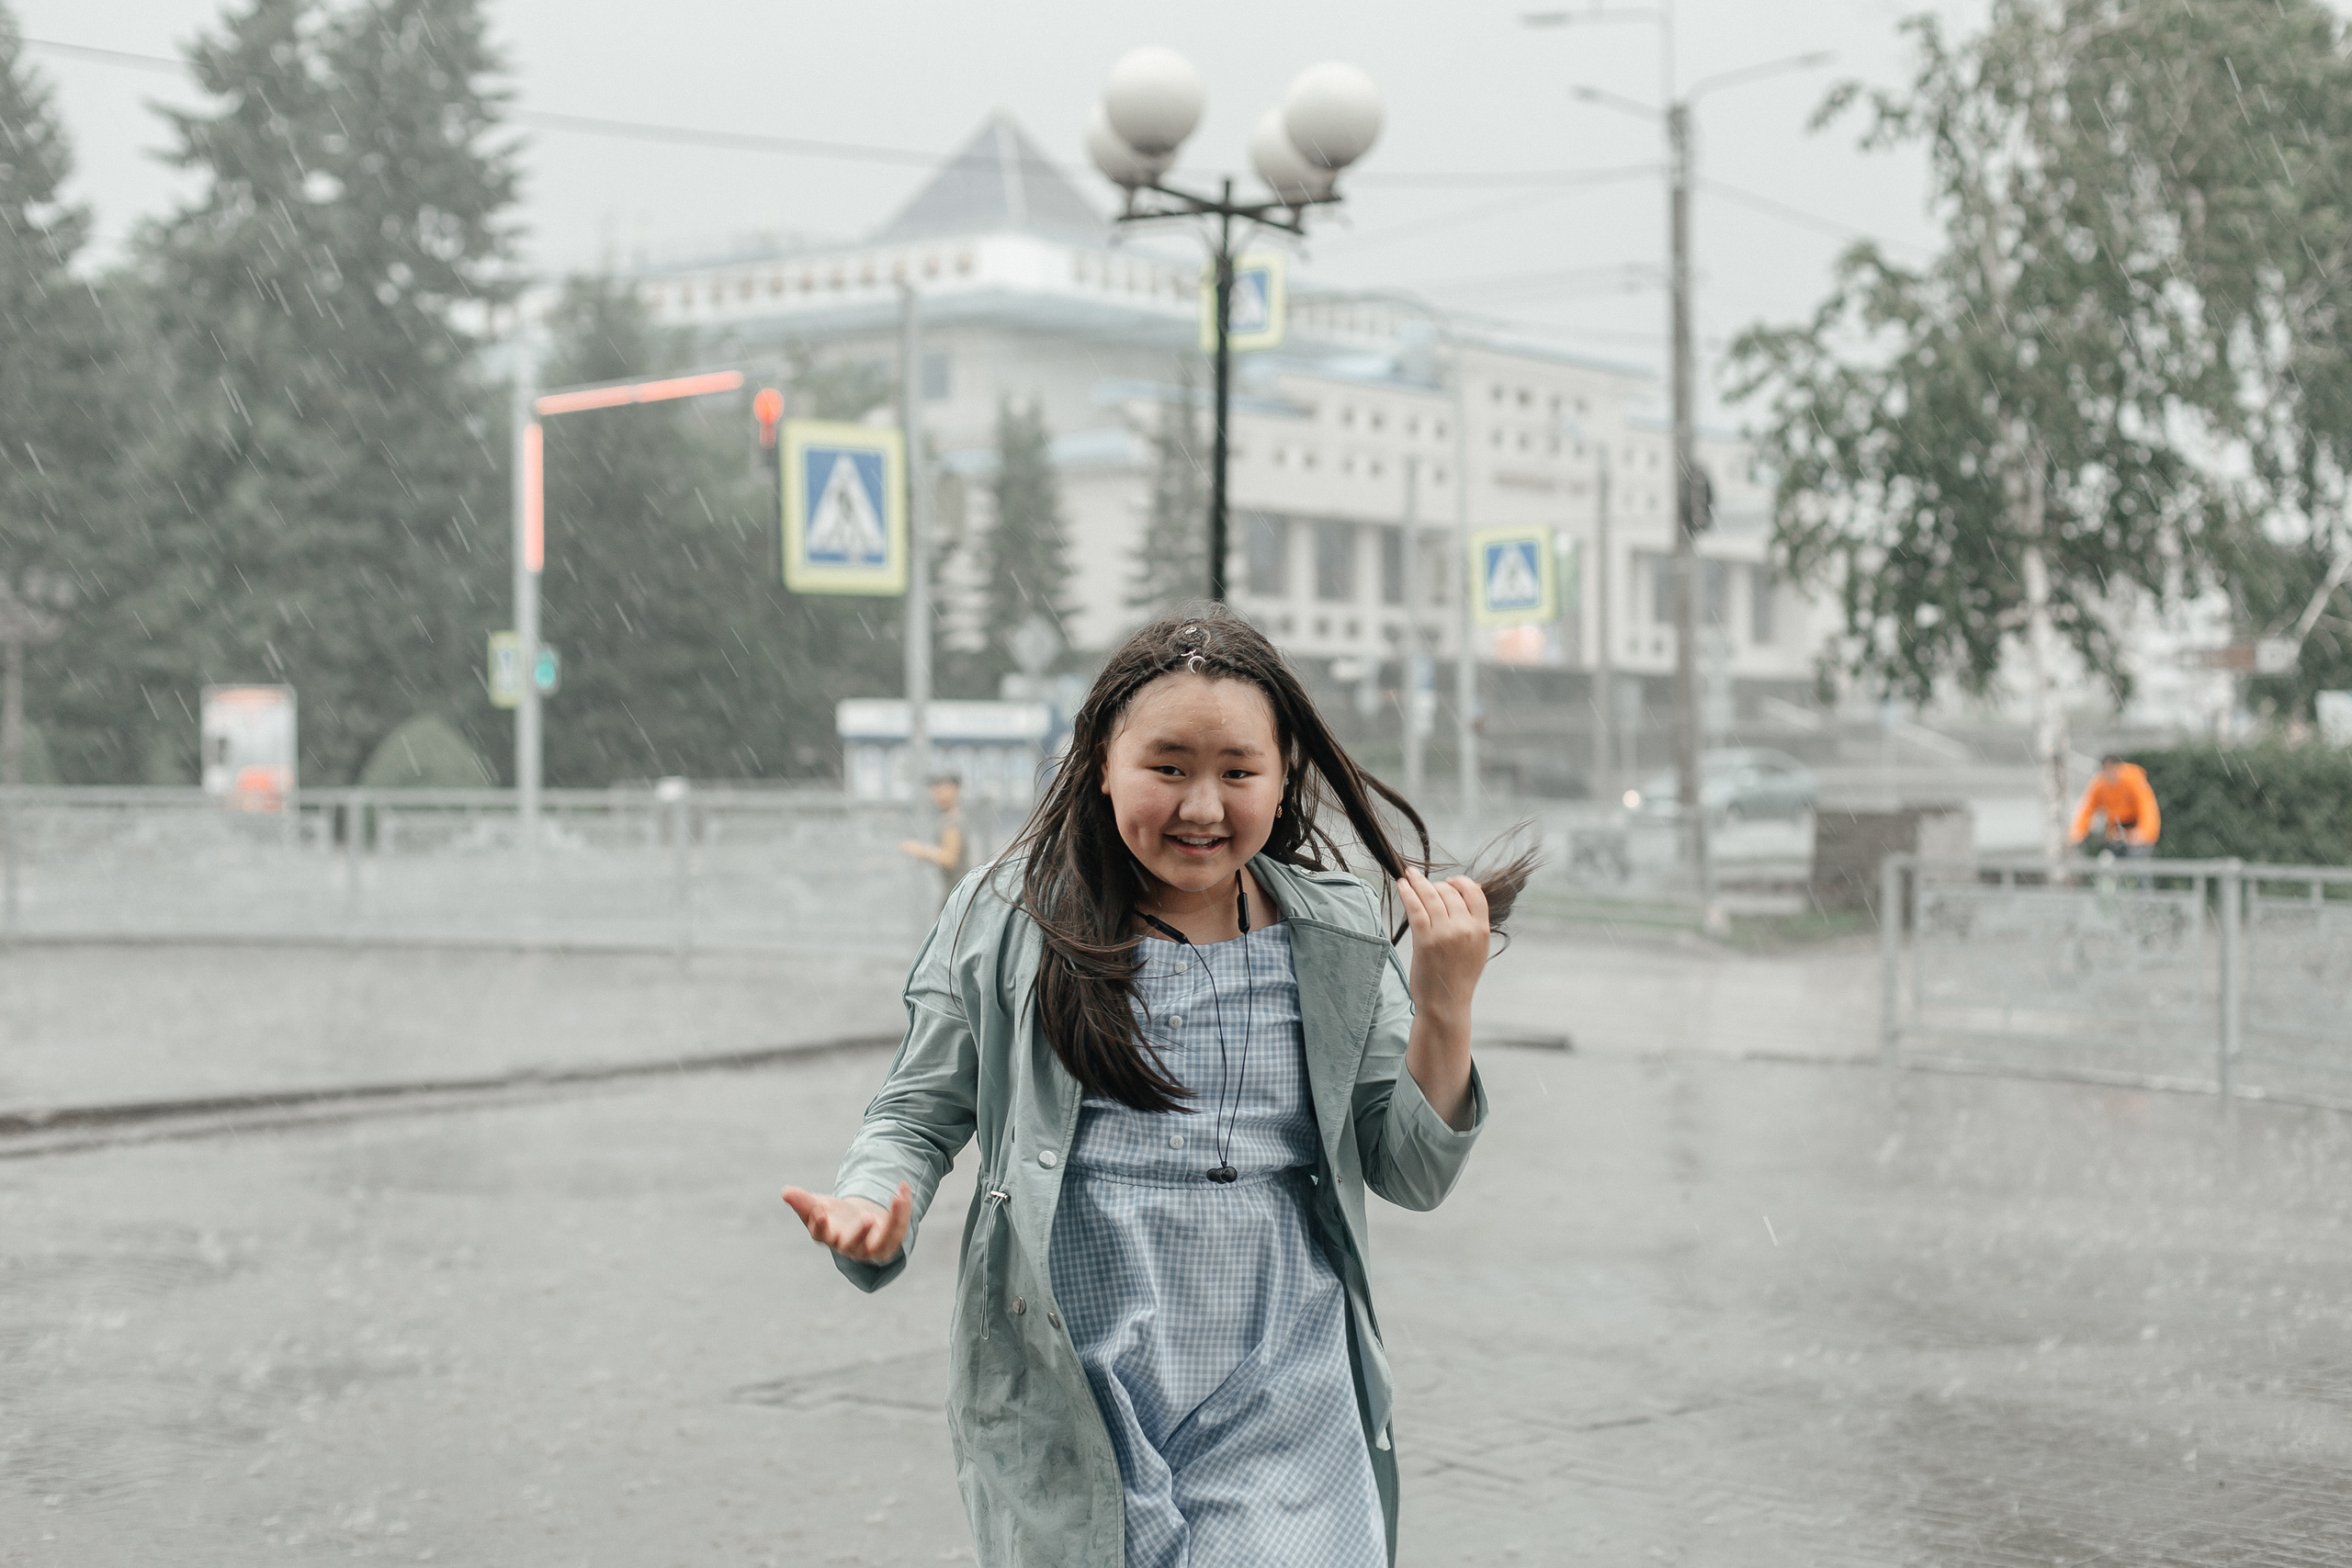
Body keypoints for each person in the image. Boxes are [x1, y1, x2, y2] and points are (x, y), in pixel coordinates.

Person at [781, 608, 1533, 1568]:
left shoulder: (1335, 934)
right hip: (1077, 1382)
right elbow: (915, 1113)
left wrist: (1444, 1005)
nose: (1203, 807)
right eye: (1167, 767)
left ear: (1284, 770)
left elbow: (1412, 1171)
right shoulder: (1007, 919)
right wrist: (866, 1204)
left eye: (1238, 772)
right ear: (1100, 759)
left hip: (1280, 1384)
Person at [2069, 753, 2161, 860]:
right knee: (2113, 862)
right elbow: (2086, 809)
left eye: (2113, 770)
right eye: (2106, 771)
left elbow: (2147, 807)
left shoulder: (2133, 779)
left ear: (2120, 768)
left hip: (2135, 827)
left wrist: (2145, 832)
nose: (2110, 774)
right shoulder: (2100, 784)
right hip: (2116, 829)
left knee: (2138, 861)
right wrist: (2078, 832)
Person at [899, 772, 969, 908]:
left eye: (941, 787)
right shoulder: (947, 818)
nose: (935, 792)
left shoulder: (953, 820)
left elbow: (949, 859)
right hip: (955, 894)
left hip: (959, 896)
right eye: (934, 787)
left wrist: (920, 850)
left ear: (955, 789)